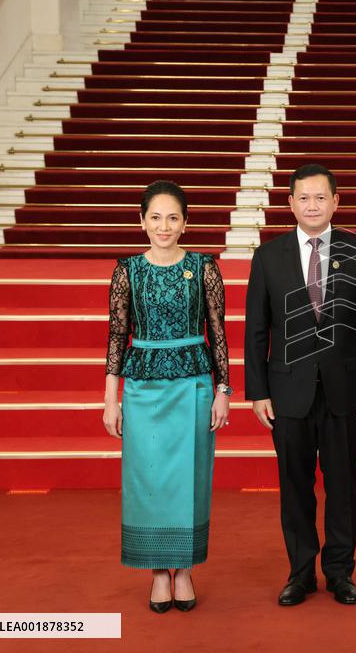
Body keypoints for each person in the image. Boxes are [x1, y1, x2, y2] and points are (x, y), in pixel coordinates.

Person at [244, 163, 356, 607]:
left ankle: (341, 573)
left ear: (335, 202)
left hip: (347, 389)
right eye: (304, 198)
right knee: (294, 485)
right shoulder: (268, 257)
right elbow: (256, 329)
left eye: (321, 197)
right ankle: (301, 573)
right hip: (287, 391)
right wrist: (258, 391)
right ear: (290, 203)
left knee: (343, 485)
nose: (312, 205)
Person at [102, 180, 231, 614]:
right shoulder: (127, 271)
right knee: (149, 479)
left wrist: (223, 390)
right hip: (142, 389)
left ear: (185, 223)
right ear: (141, 222)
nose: (164, 225)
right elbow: (117, 336)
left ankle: (185, 568)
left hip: (194, 385)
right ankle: (159, 571)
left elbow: (218, 333)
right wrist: (110, 398)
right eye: (155, 217)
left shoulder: (204, 267)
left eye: (172, 217)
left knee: (191, 477)